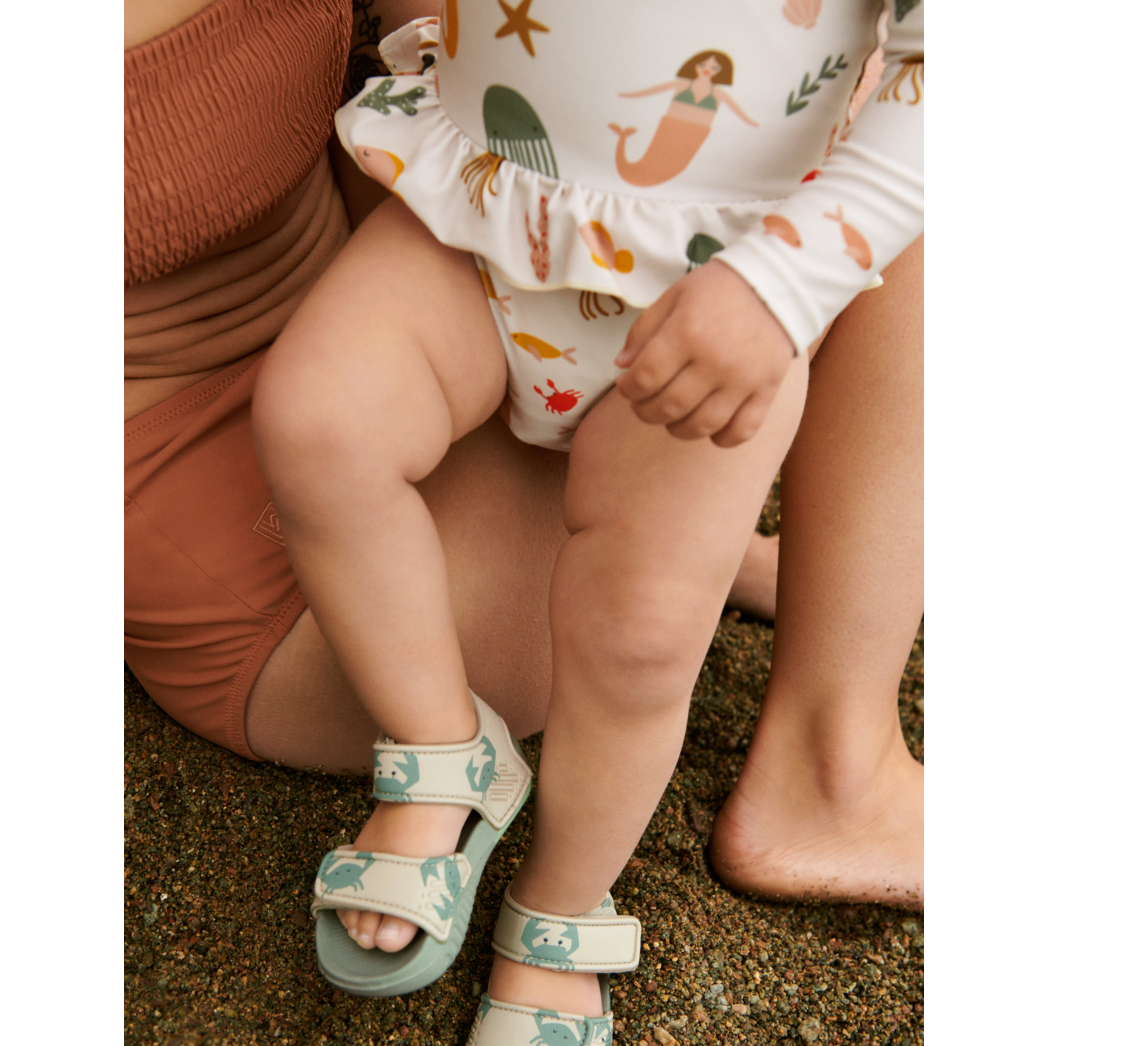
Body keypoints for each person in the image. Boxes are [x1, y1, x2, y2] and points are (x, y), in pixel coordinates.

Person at [252, 1, 923, 1046]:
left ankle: (562, 898)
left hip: (727, 282)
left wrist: (785, 281)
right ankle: (441, 748)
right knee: (318, 422)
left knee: (644, 634)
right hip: (477, 211)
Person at [124, 0, 781, 778]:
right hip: (222, 500)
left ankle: (819, 714)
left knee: (841, 139)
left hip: (385, 302)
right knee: (799, 194)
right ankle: (826, 748)